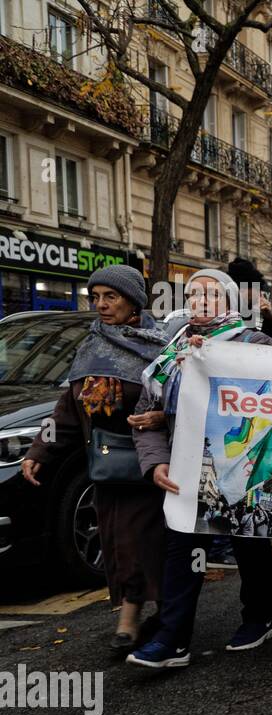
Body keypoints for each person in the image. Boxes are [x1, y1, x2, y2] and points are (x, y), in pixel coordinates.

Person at [126, 269, 272, 668]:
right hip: (186, 470)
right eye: (193, 293)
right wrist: (157, 461)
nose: (200, 300)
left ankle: (259, 618)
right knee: (183, 550)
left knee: (249, 543)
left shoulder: (253, 343)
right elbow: (146, 414)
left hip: (239, 468)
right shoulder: (172, 352)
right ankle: (172, 640)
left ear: (230, 303)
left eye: (211, 294)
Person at [22, 265, 168, 651]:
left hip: (151, 464)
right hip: (106, 466)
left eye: (111, 297)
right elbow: (67, 410)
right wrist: (41, 450)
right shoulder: (90, 346)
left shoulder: (161, 345)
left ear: (133, 301)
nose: (101, 305)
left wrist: (160, 416)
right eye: (96, 297)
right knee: (117, 541)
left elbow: (180, 399)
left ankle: (144, 618)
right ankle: (137, 614)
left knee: (144, 541)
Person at [226, 257, 272, 340]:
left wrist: (269, 319)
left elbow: (265, 344)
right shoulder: (227, 316)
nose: (260, 295)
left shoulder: (247, 312)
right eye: (258, 288)